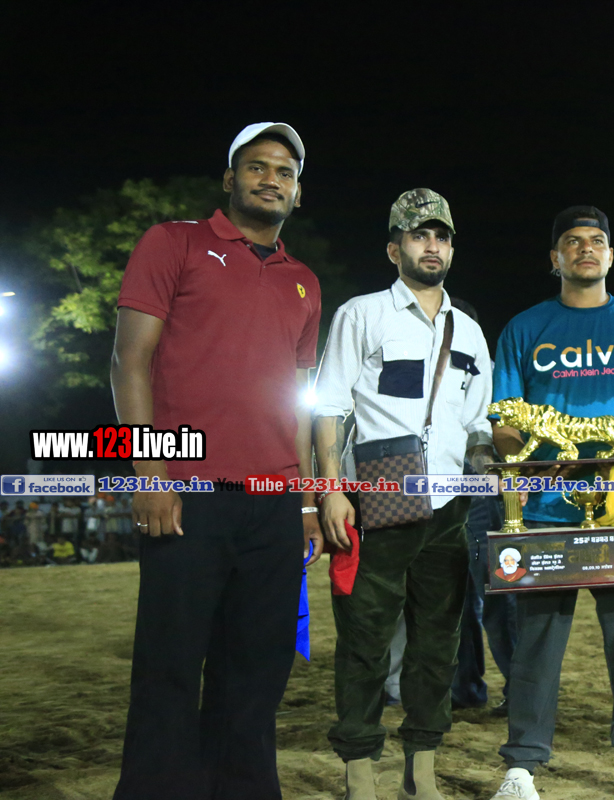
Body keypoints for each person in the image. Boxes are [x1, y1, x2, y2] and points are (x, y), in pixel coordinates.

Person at [110, 122, 322, 800]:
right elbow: (129, 362)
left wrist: (307, 500)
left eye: (285, 172)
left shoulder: (304, 282)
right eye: (257, 166)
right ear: (230, 179)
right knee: (169, 669)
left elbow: (298, 401)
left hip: (273, 505)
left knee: (257, 673)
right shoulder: (172, 242)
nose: (271, 179)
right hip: (188, 493)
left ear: (297, 193)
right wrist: (150, 475)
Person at [487, 206, 614, 800]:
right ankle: (522, 767)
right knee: (536, 647)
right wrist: (526, 463)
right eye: (572, 242)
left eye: (597, 240)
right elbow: (505, 420)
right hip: (547, 511)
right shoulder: (525, 328)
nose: (586, 249)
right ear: (555, 258)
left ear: (611, 255)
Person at [313, 188, 494, 800]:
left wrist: (490, 468)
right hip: (377, 501)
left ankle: (422, 771)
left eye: (441, 236)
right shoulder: (361, 315)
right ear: (395, 249)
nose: (432, 246)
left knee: (438, 647)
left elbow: (478, 422)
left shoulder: (470, 331)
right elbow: (329, 406)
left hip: (450, 508)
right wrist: (330, 490)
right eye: (419, 235)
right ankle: (360, 771)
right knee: (364, 642)